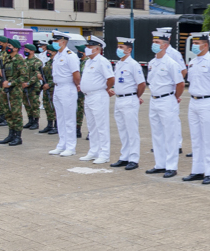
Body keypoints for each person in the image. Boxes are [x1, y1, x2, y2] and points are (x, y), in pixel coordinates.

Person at [184, 34, 210, 184]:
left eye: (197, 43)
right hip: (194, 101)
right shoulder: (193, 62)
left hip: (208, 101)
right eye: (193, 43)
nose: (194, 46)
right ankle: (197, 170)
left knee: (208, 139)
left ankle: (209, 172)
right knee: (196, 138)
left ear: (205, 45)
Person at [146, 30, 185, 178]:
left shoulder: (171, 63)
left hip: (167, 100)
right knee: (157, 134)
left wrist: (174, 97)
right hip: (154, 100)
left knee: (170, 134)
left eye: (157, 43)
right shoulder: (152, 63)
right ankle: (160, 164)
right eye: (153, 42)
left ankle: (171, 166)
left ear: (165, 45)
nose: (154, 45)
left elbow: (180, 83)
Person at [111, 37, 145, 170]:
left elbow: (141, 84)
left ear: (129, 50)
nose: (118, 49)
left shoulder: (133, 64)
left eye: (121, 47)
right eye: (118, 47)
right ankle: (124, 157)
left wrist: (136, 97)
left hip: (129, 99)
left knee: (132, 131)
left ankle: (134, 159)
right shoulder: (119, 63)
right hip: (119, 99)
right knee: (122, 130)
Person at [78, 36, 113, 164]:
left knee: (101, 126)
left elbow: (111, 78)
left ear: (97, 49)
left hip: (98, 96)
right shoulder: (88, 61)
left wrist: (105, 88)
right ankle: (94, 151)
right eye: (87, 46)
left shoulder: (102, 61)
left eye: (89, 47)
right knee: (92, 126)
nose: (87, 49)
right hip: (88, 96)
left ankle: (104, 153)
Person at [49, 31, 81, 156]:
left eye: (56, 41)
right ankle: (62, 144)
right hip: (57, 88)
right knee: (60, 118)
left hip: (67, 88)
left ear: (63, 42)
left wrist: (77, 85)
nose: (54, 43)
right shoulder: (57, 55)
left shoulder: (70, 55)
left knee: (69, 119)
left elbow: (76, 74)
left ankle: (71, 147)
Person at [0, 38, 26, 146]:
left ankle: (18, 137)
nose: (8, 48)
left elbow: (24, 77)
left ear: (16, 48)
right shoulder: (7, 59)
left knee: (16, 114)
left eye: (10, 46)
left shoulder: (19, 59)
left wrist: (10, 83)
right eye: (8, 46)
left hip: (15, 91)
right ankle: (11, 134)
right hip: (6, 91)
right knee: (8, 113)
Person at [39, 44, 58, 135]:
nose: (48, 53)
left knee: (54, 108)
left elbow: (58, 76)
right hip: (46, 88)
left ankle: (56, 126)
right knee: (47, 106)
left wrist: (49, 84)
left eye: (49, 52)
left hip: (54, 88)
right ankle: (49, 124)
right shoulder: (48, 62)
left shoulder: (57, 62)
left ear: (54, 52)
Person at [75, 44, 87, 140]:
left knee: (88, 112)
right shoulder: (78, 62)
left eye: (80, 52)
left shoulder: (88, 63)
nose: (78, 53)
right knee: (78, 111)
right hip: (78, 91)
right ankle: (77, 130)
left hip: (86, 92)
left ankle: (91, 132)